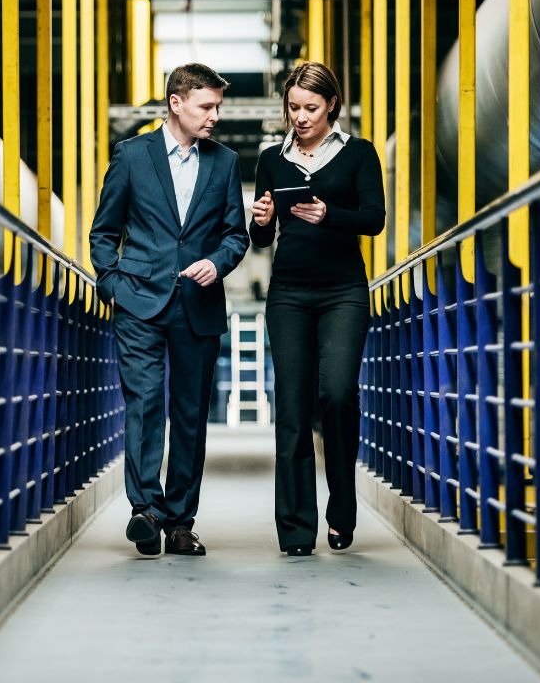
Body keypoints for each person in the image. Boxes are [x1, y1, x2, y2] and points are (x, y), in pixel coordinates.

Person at [90, 63, 250, 557]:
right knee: (144, 405)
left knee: (189, 415)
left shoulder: (224, 162)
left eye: (218, 107)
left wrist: (217, 264)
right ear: (176, 103)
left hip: (197, 304)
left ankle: (181, 521)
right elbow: (103, 232)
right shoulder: (132, 156)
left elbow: (236, 235)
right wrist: (112, 282)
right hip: (138, 300)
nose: (215, 116)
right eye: (207, 106)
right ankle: (146, 510)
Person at [248, 61, 385, 556]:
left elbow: (374, 220)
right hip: (288, 293)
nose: (300, 117)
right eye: (293, 108)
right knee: (292, 406)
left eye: (310, 108)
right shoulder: (272, 159)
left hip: (343, 290)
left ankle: (343, 508)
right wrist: (261, 220)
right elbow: (262, 239)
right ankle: (295, 529)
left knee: (338, 394)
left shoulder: (359, 155)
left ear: (331, 105)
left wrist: (330, 215)